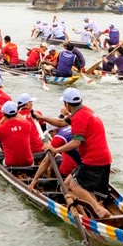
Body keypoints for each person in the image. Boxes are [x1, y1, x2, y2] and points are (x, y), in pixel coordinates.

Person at [36, 88, 113, 219]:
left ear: (67, 104)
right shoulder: (85, 111)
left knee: (74, 185)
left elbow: (76, 142)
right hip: (102, 157)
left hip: (93, 159)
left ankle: (98, 209)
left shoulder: (79, 117)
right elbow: (61, 122)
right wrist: (41, 118)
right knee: (65, 184)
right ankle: (87, 212)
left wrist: (55, 150)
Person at [0, 102, 35, 167]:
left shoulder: (1, 128)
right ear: (17, 113)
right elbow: (23, 120)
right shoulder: (27, 124)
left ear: (3, 113)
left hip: (10, 163)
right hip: (29, 162)